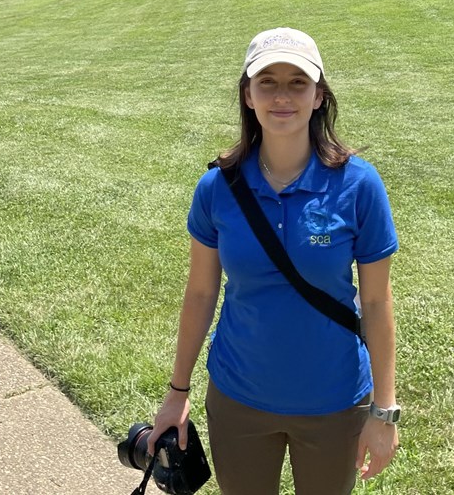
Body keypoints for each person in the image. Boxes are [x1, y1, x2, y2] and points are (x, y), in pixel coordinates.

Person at [148, 27, 399, 495]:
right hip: (239, 398)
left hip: (335, 401)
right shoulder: (217, 189)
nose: (282, 96)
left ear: (319, 95)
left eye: (297, 83)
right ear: (247, 94)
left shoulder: (358, 185)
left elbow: (378, 304)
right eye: (267, 82)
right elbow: (201, 293)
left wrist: (383, 411)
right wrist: (176, 393)